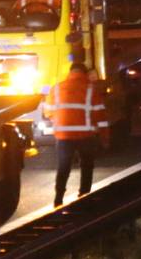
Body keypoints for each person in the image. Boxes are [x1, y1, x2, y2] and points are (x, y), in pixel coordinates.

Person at [43, 62, 109, 206]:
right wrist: (104, 137)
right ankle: (84, 194)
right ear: (85, 74)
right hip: (85, 135)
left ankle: (58, 197)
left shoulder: (57, 88)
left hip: (63, 136)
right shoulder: (91, 89)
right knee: (86, 165)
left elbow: (47, 111)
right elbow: (100, 116)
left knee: (64, 166)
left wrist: (59, 120)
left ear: (70, 72)